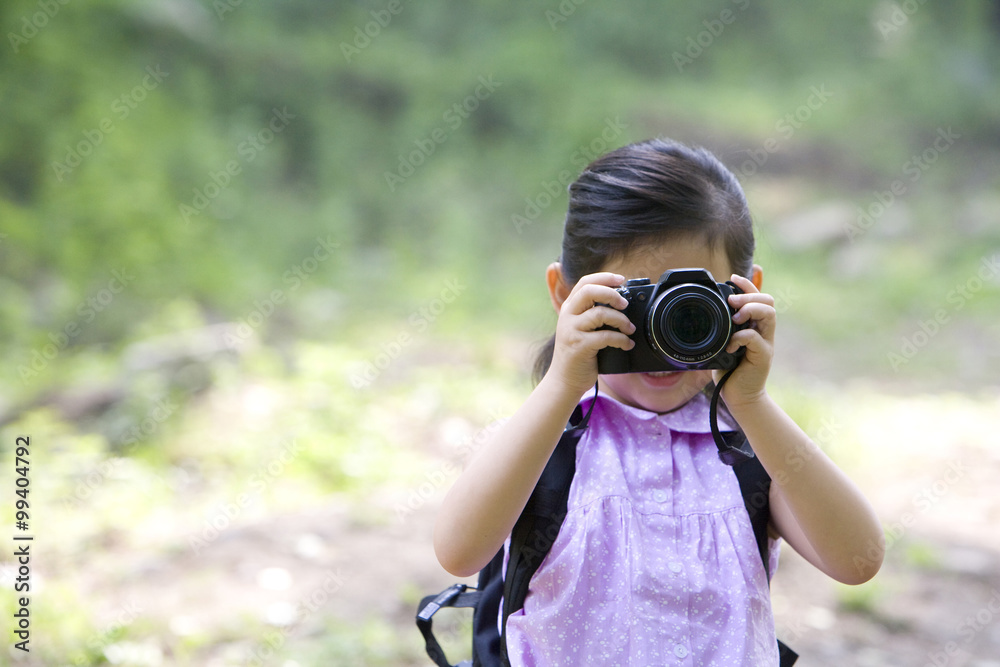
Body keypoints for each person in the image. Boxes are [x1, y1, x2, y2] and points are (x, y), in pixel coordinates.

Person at [433, 137, 884, 665]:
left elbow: (859, 559)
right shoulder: (547, 444)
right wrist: (561, 385)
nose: (662, 336)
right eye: (635, 305)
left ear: (744, 295)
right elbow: (459, 552)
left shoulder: (748, 451)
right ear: (565, 295)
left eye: (689, 306)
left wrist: (752, 401)